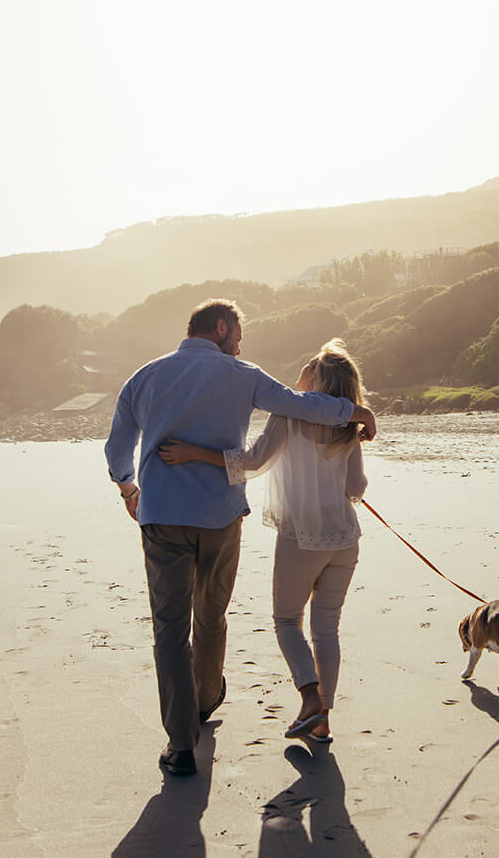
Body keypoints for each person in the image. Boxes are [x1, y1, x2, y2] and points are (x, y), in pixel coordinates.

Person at [105, 301, 377, 778]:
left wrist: (129, 487)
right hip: (222, 517)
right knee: (212, 617)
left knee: (170, 629)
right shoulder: (244, 374)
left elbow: (117, 449)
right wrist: (354, 411)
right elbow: (302, 407)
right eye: (240, 335)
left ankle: (180, 742)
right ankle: (210, 698)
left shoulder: (143, 377)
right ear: (223, 328)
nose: (241, 344)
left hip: (163, 515)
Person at [159, 340, 367, 746]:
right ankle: (322, 719)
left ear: (317, 378)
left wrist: (192, 453)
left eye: (308, 365)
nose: (301, 370)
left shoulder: (289, 415)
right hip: (344, 540)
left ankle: (310, 699)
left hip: (301, 539)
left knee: (288, 621)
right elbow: (356, 488)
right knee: (328, 630)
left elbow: (251, 462)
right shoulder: (349, 427)